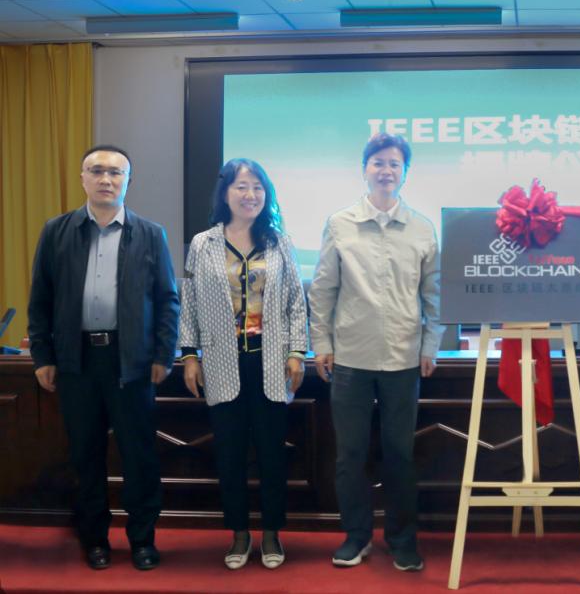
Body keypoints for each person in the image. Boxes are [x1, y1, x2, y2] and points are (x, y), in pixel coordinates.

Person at [27, 145, 179, 571]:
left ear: (128, 180)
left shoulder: (150, 234)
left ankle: (142, 540)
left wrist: (163, 354)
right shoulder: (56, 232)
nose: (106, 179)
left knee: (139, 456)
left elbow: (168, 300)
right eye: (96, 171)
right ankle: (94, 539)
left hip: (132, 361)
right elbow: (40, 300)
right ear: (83, 178)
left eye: (115, 172)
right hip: (76, 361)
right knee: (85, 456)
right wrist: (42, 355)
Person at [309, 133, 442, 572]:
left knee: (399, 454)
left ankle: (402, 540)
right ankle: (356, 537)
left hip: (404, 358)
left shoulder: (422, 228)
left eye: (394, 164)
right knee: (350, 455)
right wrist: (322, 343)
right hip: (350, 357)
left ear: (405, 172)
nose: (386, 170)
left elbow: (434, 294)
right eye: (378, 162)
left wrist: (430, 344)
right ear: (364, 169)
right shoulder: (340, 223)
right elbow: (323, 290)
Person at [178, 158, 308, 570]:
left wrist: (296, 352)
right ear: (225, 193)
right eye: (241, 186)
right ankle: (238, 533)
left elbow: (296, 303)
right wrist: (189, 356)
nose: (250, 194)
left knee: (272, 455)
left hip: (271, 364)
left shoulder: (279, 242)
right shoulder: (203, 244)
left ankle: (271, 533)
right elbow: (189, 305)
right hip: (221, 363)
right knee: (230, 455)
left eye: (257, 187)